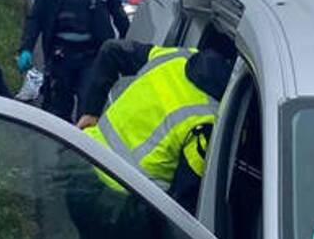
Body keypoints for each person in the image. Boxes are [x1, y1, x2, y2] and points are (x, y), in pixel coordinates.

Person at [75, 32, 237, 213]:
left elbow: (111, 49)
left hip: (85, 163)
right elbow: (184, 203)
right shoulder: (209, 121)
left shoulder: (175, 56)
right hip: (124, 200)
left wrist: (90, 111)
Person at [16, 0, 129, 121]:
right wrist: (26, 48)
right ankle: (59, 147)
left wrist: (128, 47)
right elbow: (36, 17)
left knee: (89, 110)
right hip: (60, 57)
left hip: (94, 57)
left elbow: (119, 16)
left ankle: (83, 147)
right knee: (57, 113)